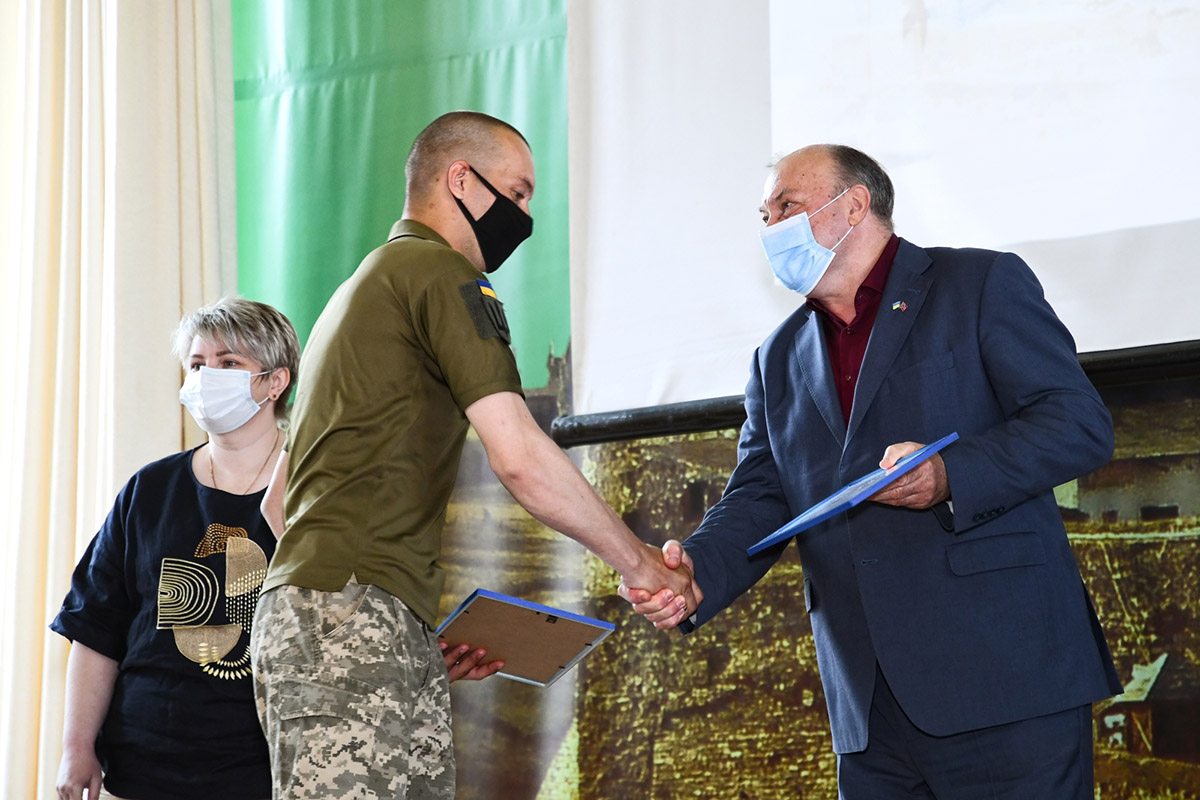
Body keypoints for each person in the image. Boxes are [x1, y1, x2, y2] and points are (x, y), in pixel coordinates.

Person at [624, 144, 1121, 799]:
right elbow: (759, 497)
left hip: (1005, 683)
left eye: (786, 207)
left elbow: (1077, 422)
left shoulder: (979, 284)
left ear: (854, 205)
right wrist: (694, 575)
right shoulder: (776, 359)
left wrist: (949, 474)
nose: (771, 229)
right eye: (764, 217)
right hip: (868, 712)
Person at [250, 110, 696, 800]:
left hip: (349, 618)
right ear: (460, 179)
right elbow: (518, 455)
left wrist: (392, 623)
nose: (524, 217)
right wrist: (639, 565)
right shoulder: (438, 272)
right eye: (516, 193)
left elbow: (279, 506)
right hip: (351, 620)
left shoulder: (359, 291)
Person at [52, 297, 299, 800]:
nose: (207, 377)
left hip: (265, 769)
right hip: (143, 764)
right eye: (197, 364)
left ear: (275, 381)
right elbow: (96, 628)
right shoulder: (150, 489)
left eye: (229, 362)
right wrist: (76, 748)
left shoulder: (311, 491)